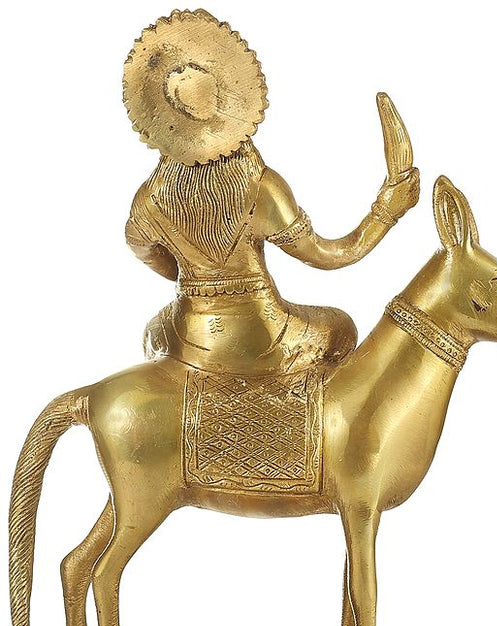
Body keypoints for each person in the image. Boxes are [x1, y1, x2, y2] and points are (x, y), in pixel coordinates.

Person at [124, 9, 419, 375]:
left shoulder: (148, 200)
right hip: (265, 334)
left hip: (187, 334)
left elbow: (143, 250)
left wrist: (195, 278)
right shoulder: (261, 188)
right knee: (341, 328)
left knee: (152, 334)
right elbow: (328, 255)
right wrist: (387, 210)